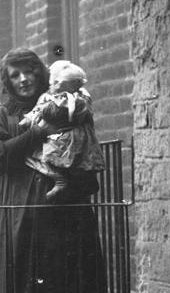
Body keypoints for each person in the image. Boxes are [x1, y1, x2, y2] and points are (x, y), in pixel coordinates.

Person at [0, 47, 114, 293]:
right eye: (15, 75)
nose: (24, 79)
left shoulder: (67, 106)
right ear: (7, 81)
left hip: (66, 217)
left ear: (41, 73)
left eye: (29, 71)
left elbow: (86, 153)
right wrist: (38, 133)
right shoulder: (0, 117)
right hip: (22, 219)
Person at [21, 59, 106, 204]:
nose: (53, 86)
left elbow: (54, 112)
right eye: (52, 82)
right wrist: (30, 118)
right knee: (37, 158)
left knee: (61, 160)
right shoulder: (50, 96)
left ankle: (63, 180)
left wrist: (44, 109)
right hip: (60, 137)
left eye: (56, 83)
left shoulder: (78, 99)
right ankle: (60, 179)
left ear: (73, 85)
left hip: (69, 140)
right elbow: (39, 109)